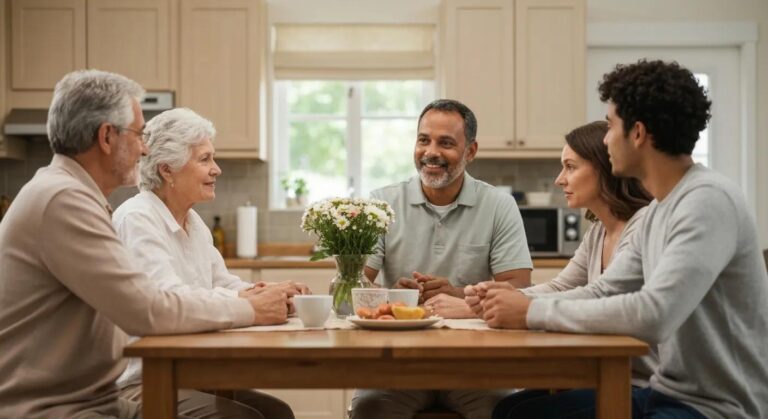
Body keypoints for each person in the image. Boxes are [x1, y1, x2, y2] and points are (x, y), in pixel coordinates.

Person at [468, 59, 768, 419]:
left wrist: (530, 311)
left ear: (637, 133)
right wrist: (514, 302)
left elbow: (655, 314)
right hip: (666, 393)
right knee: (515, 412)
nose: (606, 138)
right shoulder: (659, 210)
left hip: (716, 408)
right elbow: (603, 290)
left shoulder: (707, 200)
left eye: (610, 126)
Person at [0, 70, 291, 419]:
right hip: (52, 408)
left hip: (91, 398)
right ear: (107, 137)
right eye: (138, 133)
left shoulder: (69, 193)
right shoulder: (64, 200)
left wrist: (258, 297)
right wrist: (251, 308)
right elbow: (148, 310)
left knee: (269, 414)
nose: (144, 147)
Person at [112, 108, 302, 419]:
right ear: (167, 170)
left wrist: (266, 292)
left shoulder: (193, 221)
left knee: (278, 412)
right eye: (204, 159)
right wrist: (252, 303)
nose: (217, 169)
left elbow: (221, 283)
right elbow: (170, 300)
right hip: (141, 380)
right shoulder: (137, 220)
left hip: (187, 372)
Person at [350, 99, 532, 419]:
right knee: (369, 409)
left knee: (505, 411)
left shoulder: (499, 206)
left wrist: (460, 294)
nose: (431, 151)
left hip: (476, 364)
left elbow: (518, 288)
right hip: (397, 364)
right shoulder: (382, 203)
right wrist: (394, 298)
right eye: (424, 140)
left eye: (446, 143)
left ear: (470, 151)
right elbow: (356, 281)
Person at [492, 120, 657, 417]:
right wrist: (498, 297)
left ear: (606, 169)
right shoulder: (599, 231)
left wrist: (521, 305)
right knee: (506, 407)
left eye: (570, 167)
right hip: (606, 372)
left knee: (521, 415)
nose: (559, 179)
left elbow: (603, 298)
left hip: (641, 382)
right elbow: (560, 286)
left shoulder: (642, 226)